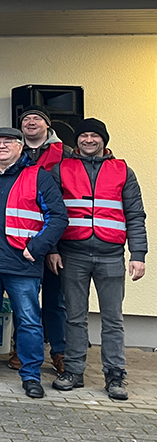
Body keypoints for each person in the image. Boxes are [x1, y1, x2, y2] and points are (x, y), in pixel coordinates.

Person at [0, 127, 68, 399]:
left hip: (22, 262)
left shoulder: (37, 176)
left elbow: (58, 217)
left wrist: (37, 247)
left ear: (20, 147)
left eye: (8, 142)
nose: (2, 146)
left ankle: (31, 375)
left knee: (29, 321)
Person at [49, 118, 147, 400]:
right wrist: (53, 249)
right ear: (76, 140)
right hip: (73, 254)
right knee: (75, 317)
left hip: (111, 255)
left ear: (104, 140)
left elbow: (135, 215)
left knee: (113, 319)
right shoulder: (62, 169)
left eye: (95, 136)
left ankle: (115, 376)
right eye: (84, 136)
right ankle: (74, 371)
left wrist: (138, 254)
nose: (89, 140)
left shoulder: (123, 171)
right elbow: (53, 215)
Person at [16, 105, 71, 373]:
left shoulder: (65, 154)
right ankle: (22, 348)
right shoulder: (14, 153)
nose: (31, 122)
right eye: (26, 119)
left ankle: (59, 352)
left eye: (36, 118)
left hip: (53, 240)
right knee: (23, 298)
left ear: (48, 125)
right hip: (22, 239)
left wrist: (53, 246)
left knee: (54, 300)